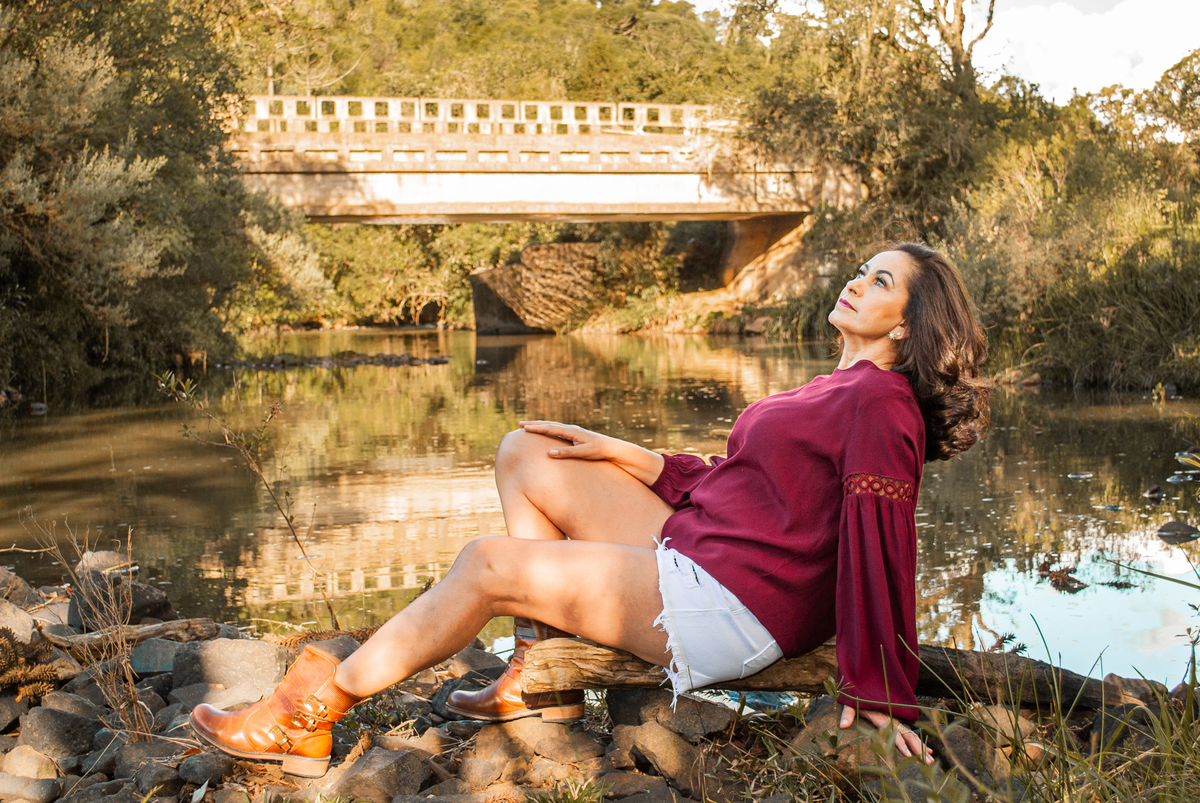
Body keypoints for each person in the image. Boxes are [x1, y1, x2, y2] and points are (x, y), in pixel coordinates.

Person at [189, 242, 990, 778]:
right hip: (708, 548)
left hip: (735, 602)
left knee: (488, 562)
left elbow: (881, 543)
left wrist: (880, 696)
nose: (857, 281)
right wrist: (627, 453)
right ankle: (539, 674)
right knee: (529, 449)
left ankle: (310, 711)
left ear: (908, 323)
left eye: (881, 282)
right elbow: (748, 483)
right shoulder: (835, 386)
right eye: (862, 269)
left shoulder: (881, 402)